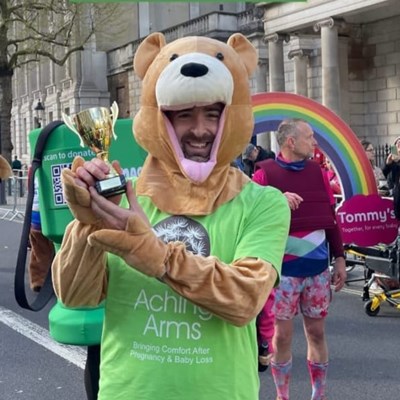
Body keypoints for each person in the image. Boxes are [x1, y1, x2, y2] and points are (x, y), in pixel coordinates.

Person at [52, 33, 290, 400]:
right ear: (160, 118)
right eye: (184, 115)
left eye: (213, 114)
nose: (200, 129)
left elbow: (244, 298)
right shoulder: (125, 198)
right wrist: (88, 223)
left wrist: (158, 257)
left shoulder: (263, 203)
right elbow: (76, 296)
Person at [253, 118, 347, 400]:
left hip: (317, 271)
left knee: (316, 333)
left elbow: (330, 219)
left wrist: (340, 257)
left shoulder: (318, 173)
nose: (315, 142)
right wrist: (276, 199)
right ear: (291, 142)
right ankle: (283, 396)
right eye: (309, 137)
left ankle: (319, 394)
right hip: (282, 272)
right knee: (281, 337)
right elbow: (250, 212)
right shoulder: (264, 175)